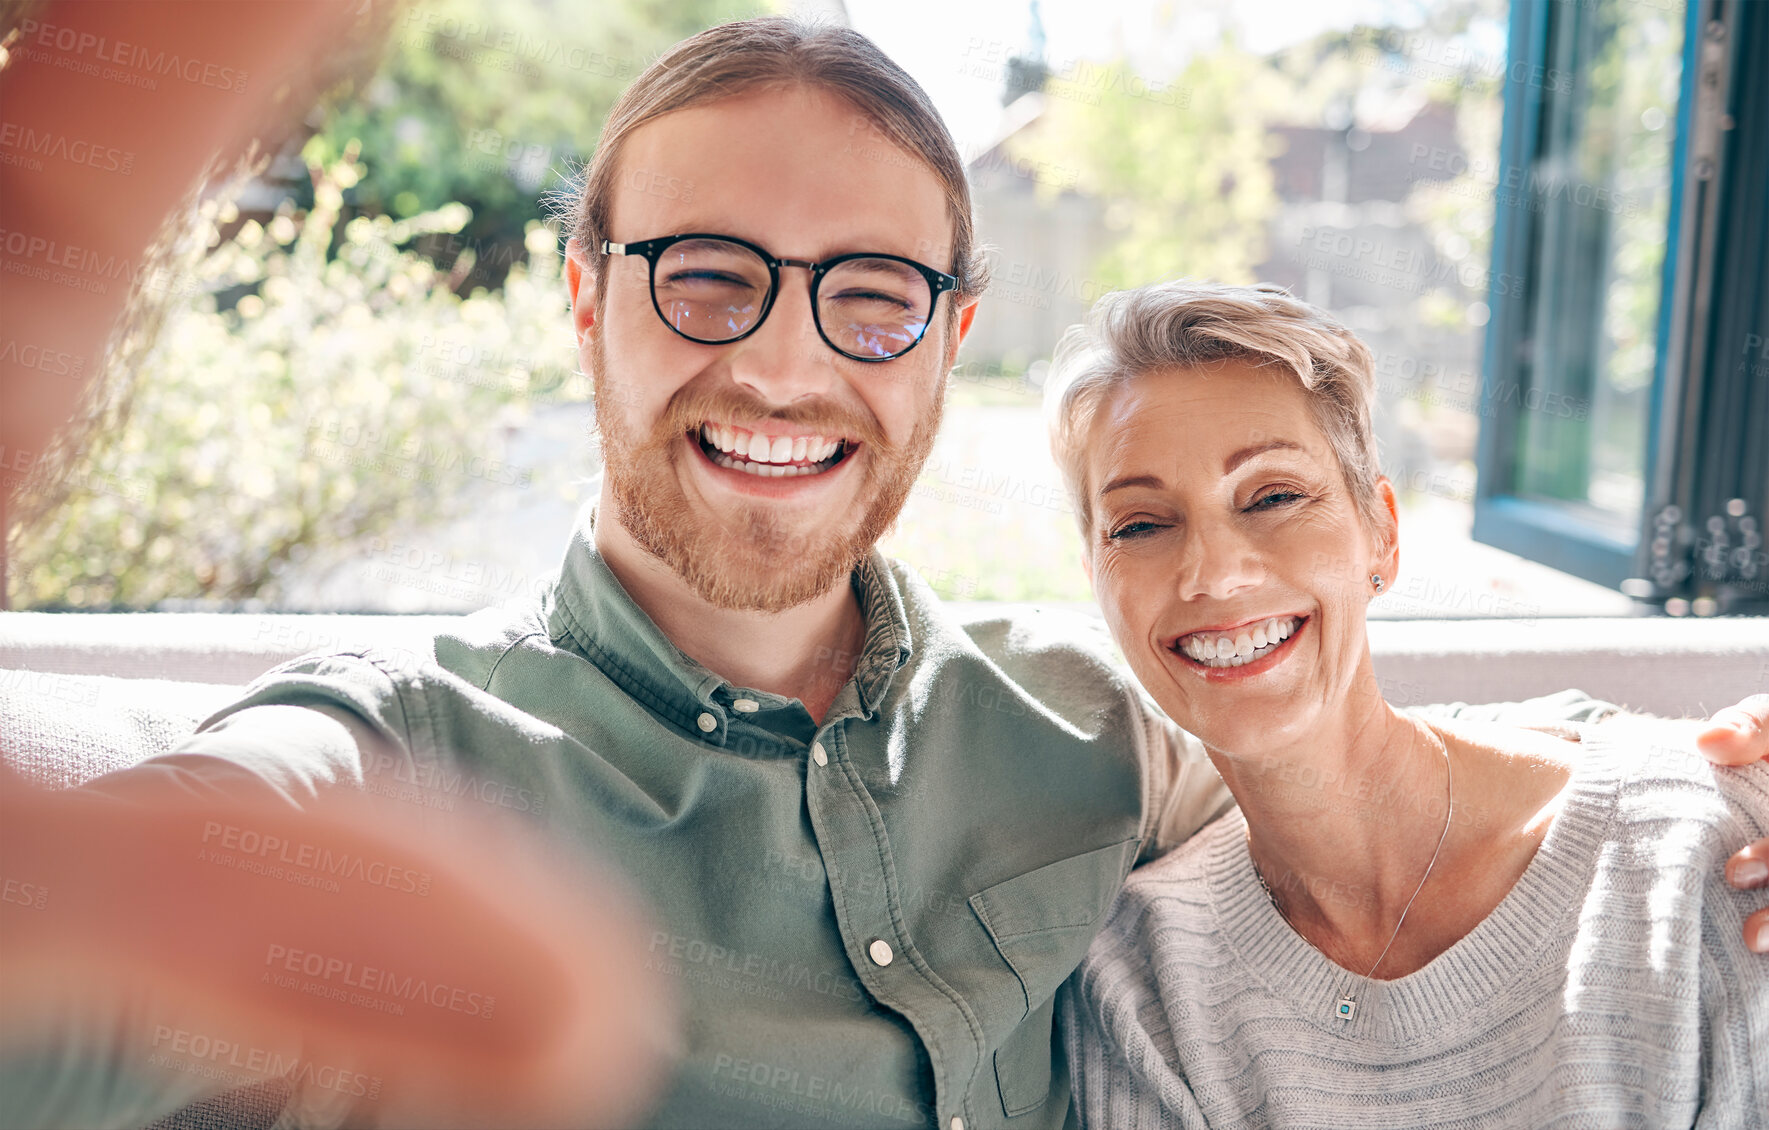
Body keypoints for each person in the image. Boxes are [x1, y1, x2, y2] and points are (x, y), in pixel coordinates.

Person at [4, 12, 1767, 1129]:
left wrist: (1697, 780)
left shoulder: (1087, 724)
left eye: (865, 294)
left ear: (944, 338)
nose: (782, 368)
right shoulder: (382, 755)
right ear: (582, 300)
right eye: (705, 275)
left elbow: (1338, 743)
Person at [1047, 281, 1769, 1127]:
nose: (1212, 572)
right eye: (1138, 525)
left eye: (1273, 496)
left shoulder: (1707, 851)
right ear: (1096, 578)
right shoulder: (1138, 978)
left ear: (1379, 535)